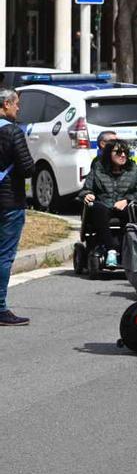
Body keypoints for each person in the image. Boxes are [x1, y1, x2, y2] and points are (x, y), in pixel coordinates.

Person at [79, 139, 137, 267]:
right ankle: (111, 250)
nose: (123, 155)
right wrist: (87, 195)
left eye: (125, 152)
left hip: (124, 205)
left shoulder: (133, 169)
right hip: (103, 205)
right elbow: (86, 189)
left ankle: (126, 250)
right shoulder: (98, 169)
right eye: (118, 152)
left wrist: (127, 200)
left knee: (130, 211)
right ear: (109, 153)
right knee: (98, 209)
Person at [0, 89, 34, 326]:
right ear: (6, 104)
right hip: (9, 201)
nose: (18, 108)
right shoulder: (13, 131)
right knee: (3, 256)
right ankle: (0, 308)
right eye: (16, 104)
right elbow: (28, 168)